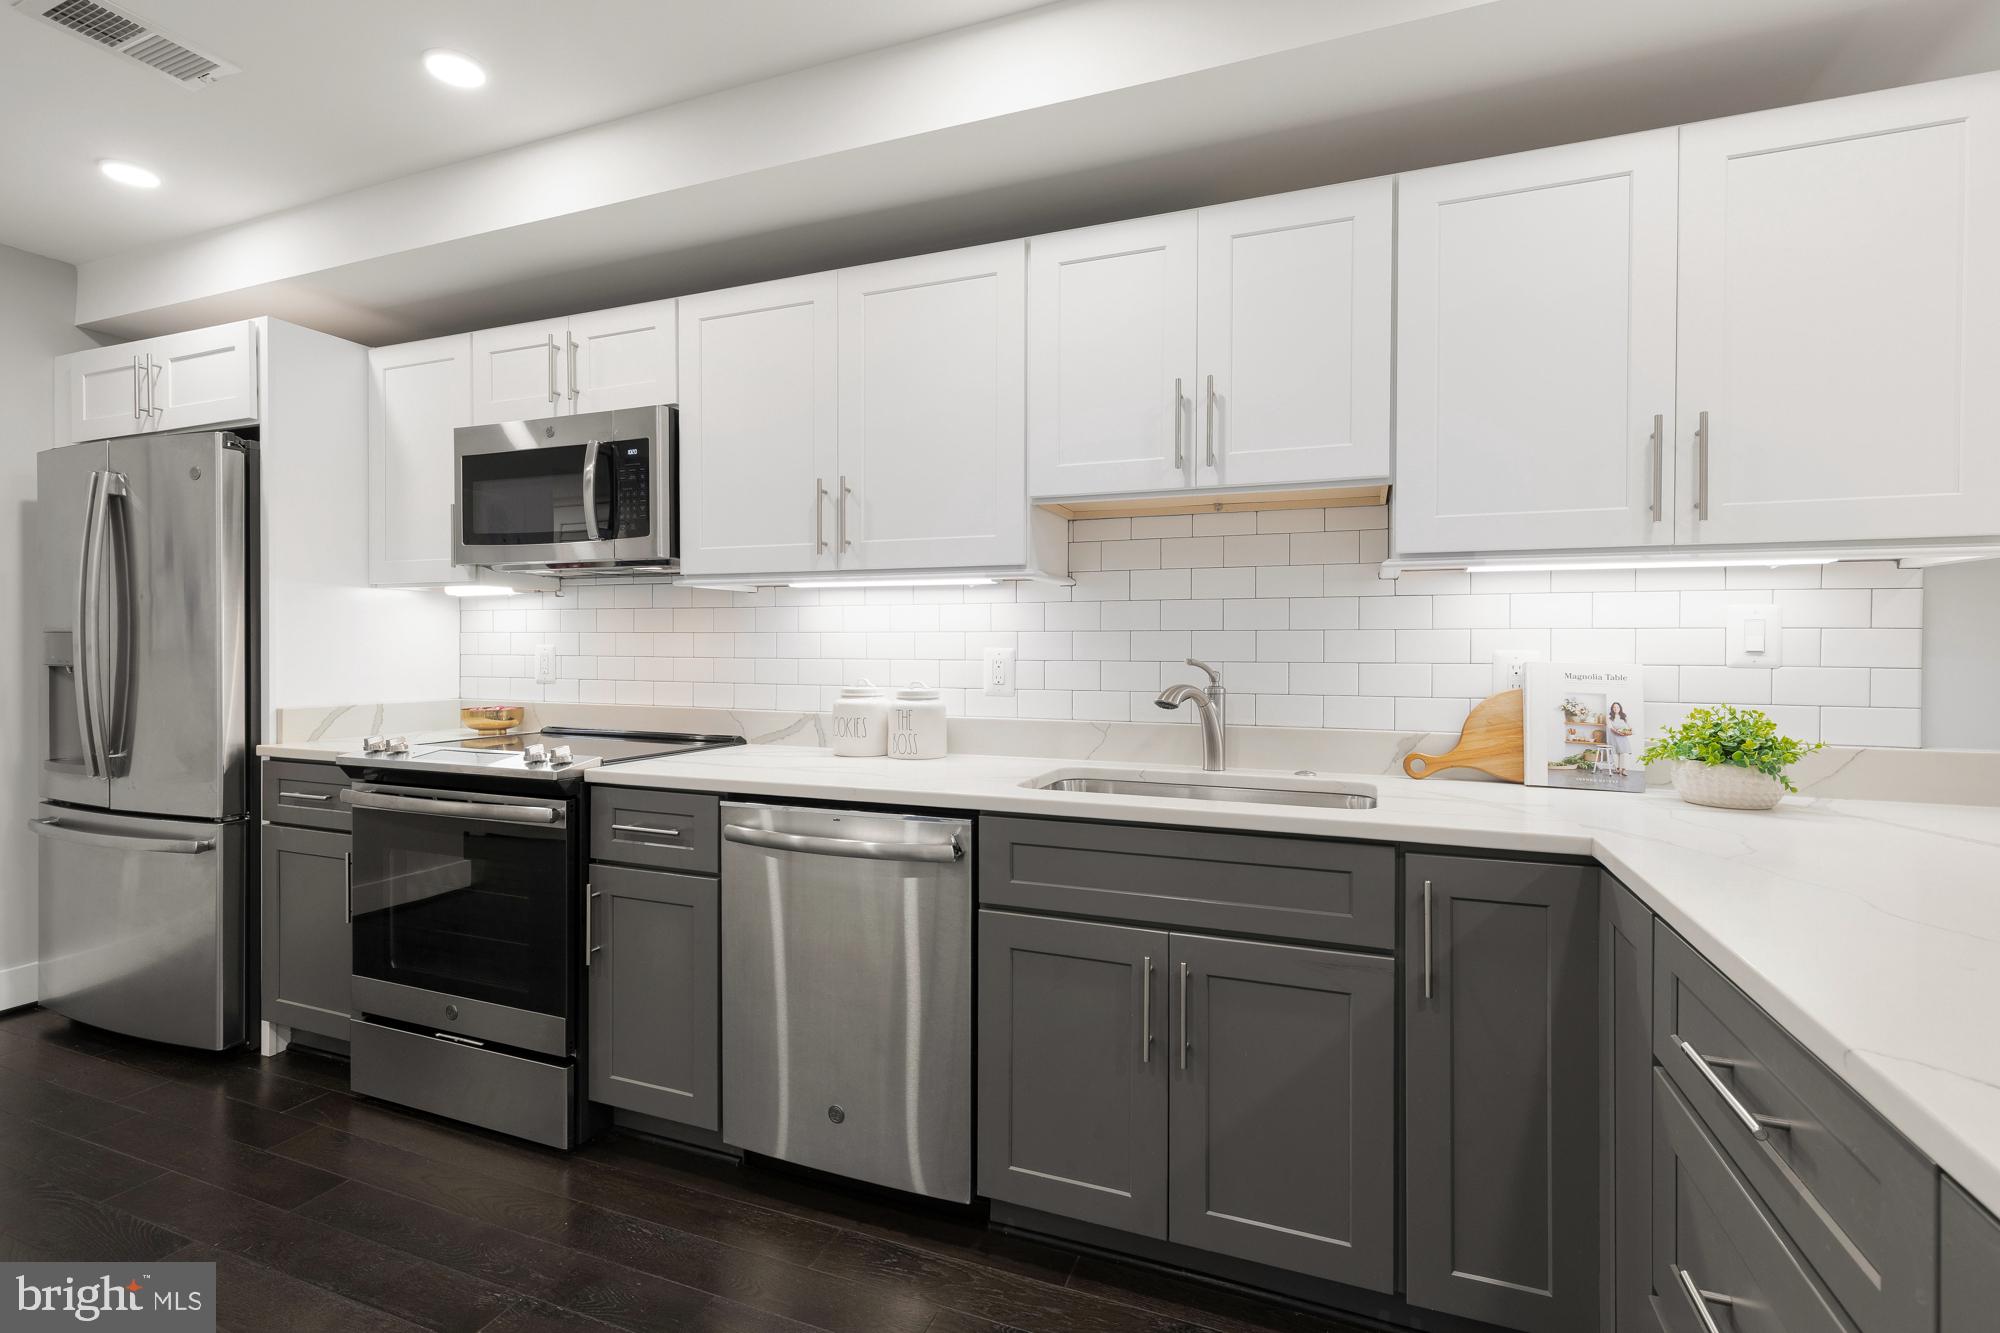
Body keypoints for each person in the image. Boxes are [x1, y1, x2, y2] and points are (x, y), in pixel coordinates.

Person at [1606, 702, 1635, 775]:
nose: (1616, 709)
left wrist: (1630, 731)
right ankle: (1618, 769)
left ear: (1620, 708)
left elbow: (1630, 726)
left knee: (1624, 753)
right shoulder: (1609, 717)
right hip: (1614, 737)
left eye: (1617, 707)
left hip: (1623, 737)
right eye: (1614, 707)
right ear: (1612, 709)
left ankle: (1624, 769)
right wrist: (1618, 732)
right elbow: (1610, 727)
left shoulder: (1624, 716)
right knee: (1616, 753)